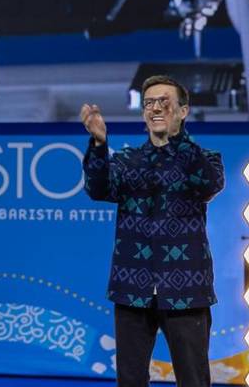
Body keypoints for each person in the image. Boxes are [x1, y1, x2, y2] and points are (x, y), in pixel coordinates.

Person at [80, 75, 224, 387]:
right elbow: (98, 188)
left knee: (194, 379)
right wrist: (100, 145)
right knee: (130, 379)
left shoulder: (204, 158)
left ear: (183, 111)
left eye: (164, 102)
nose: (155, 108)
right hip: (132, 288)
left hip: (187, 290)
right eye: (149, 103)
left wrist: (176, 140)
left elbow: (209, 185)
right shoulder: (126, 161)